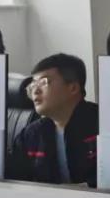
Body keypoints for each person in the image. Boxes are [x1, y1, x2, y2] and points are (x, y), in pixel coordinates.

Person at [7, 54, 99, 187]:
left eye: (44, 82)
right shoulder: (31, 135)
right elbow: (13, 180)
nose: (35, 91)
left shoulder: (102, 124)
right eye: (33, 85)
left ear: (73, 88)